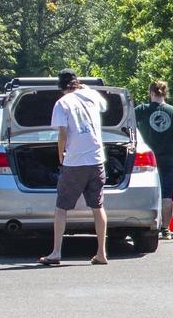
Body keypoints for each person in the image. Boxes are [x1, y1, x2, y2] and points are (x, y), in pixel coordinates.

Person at [42, 69, 110, 266]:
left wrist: (61, 158)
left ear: (60, 87)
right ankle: (101, 253)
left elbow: (62, 134)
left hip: (74, 162)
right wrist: (86, 88)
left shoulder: (62, 103)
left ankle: (56, 252)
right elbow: (105, 107)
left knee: (62, 207)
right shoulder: (91, 95)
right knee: (98, 206)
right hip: (97, 160)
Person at [133, 80, 173, 239]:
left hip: (145, 158)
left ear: (151, 93)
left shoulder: (141, 110)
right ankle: (166, 229)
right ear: (165, 93)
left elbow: (128, 127)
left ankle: (142, 225)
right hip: (167, 158)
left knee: (144, 191)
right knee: (167, 193)